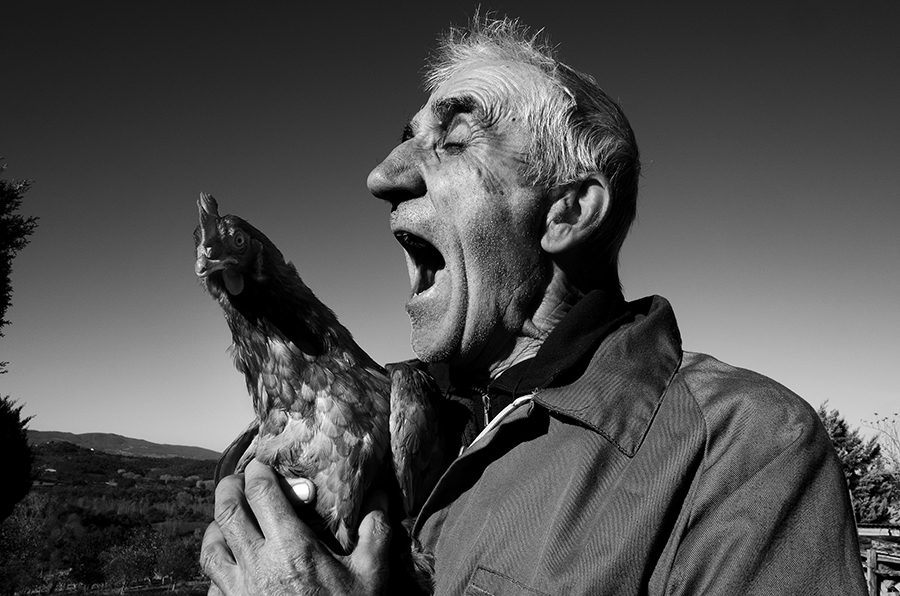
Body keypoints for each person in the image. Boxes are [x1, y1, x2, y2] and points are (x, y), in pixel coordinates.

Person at [200, 16, 868, 596]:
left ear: (569, 212)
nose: (383, 176)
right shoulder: (389, 411)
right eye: (405, 136)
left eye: (455, 139)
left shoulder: (738, 453)